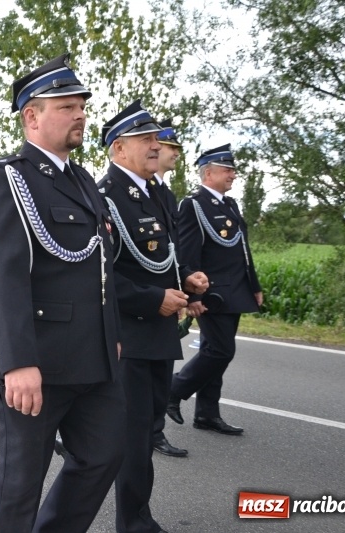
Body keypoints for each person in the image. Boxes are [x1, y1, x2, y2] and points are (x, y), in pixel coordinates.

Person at [0, 53, 125, 533]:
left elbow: (101, 265)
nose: (79, 113)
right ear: (31, 117)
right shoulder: (9, 177)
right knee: (21, 484)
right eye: (65, 105)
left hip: (91, 356)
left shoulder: (81, 180)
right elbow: (1, 274)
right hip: (35, 358)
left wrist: (111, 333)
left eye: (80, 105)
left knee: (104, 456)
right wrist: (17, 362)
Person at [97, 101, 209, 533]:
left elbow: (163, 257)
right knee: (134, 436)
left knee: (147, 430)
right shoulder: (105, 197)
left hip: (159, 333)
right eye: (146, 139)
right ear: (118, 148)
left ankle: (136, 513)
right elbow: (100, 275)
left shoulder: (154, 193)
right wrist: (151, 300)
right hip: (131, 334)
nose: (155, 145)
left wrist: (188, 281)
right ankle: (134, 521)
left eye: (155, 139)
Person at [166, 144, 263, 435]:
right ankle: (172, 390)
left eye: (233, 170)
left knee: (213, 350)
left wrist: (254, 286)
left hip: (236, 290)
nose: (233, 175)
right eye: (227, 170)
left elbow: (243, 251)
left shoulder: (229, 205)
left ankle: (207, 414)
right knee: (221, 351)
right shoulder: (193, 205)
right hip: (212, 292)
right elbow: (188, 253)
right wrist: (193, 296)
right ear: (209, 173)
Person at [151, 118, 192, 459]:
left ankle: (154, 433)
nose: (175, 154)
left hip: (168, 299)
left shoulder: (166, 193)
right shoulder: (132, 192)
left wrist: (186, 287)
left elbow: (173, 249)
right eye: (170, 147)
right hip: (144, 304)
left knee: (162, 376)